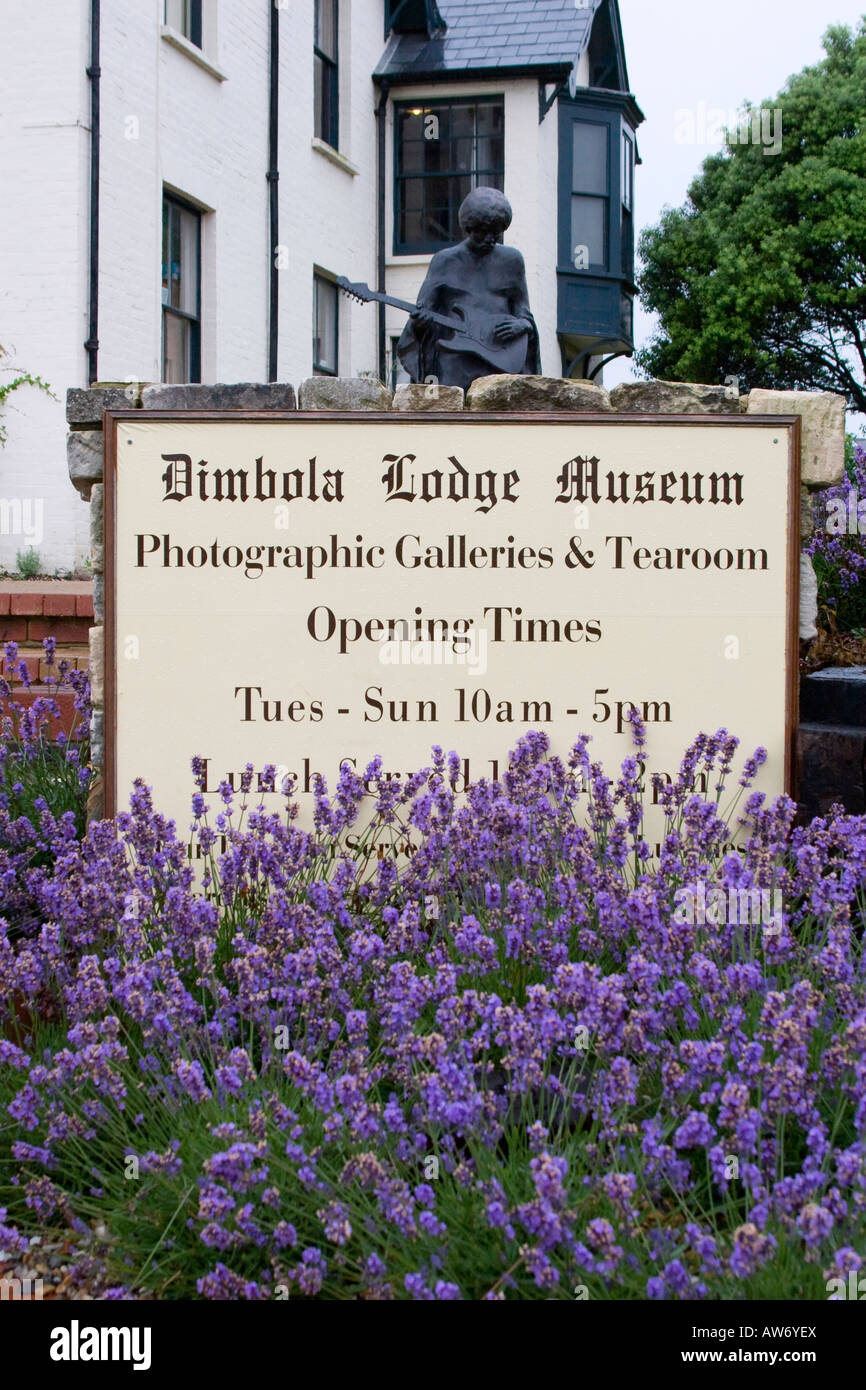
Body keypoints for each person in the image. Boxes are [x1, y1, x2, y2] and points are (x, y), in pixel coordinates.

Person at [396, 187, 541, 391]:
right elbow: (422, 315)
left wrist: (522, 325)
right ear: (469, 227)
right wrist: (421, 324)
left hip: (502, 356)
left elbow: (523, 312)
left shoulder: (512, 261)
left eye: (496, 232)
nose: (490, 239)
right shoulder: (444, 261)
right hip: (456, 358)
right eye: (483, 232)